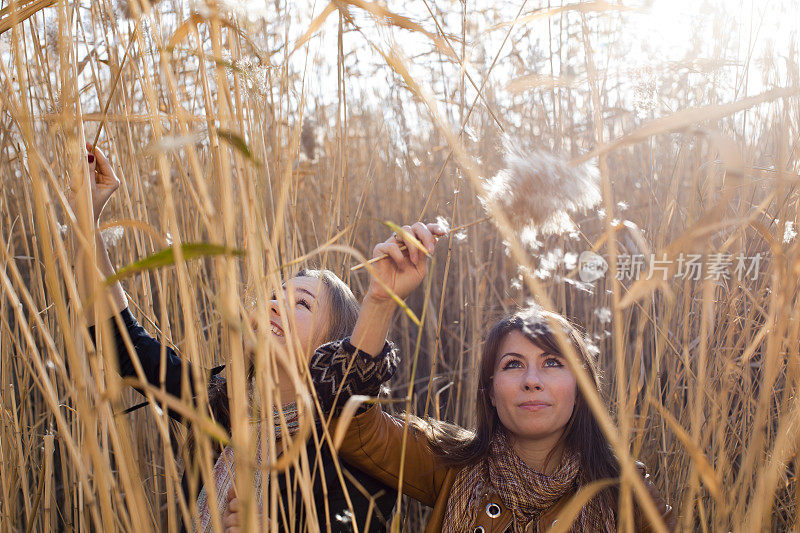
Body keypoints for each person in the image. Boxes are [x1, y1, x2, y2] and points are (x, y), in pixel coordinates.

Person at [72, 143, 443, 532]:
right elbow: (121, 339)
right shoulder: (217, 403)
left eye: (300, 303)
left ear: (333, 345)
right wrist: (85, 218)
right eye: (272, 296)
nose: (272, 305)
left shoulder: (347, 462)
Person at [224, 223, 677, 532]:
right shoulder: (449, 462)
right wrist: (380, 300)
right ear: (491, 394)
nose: (532, 380)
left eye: (553, 363)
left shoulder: (627, 500)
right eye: (512, 364)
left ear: (582, 391)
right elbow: (348, 417)